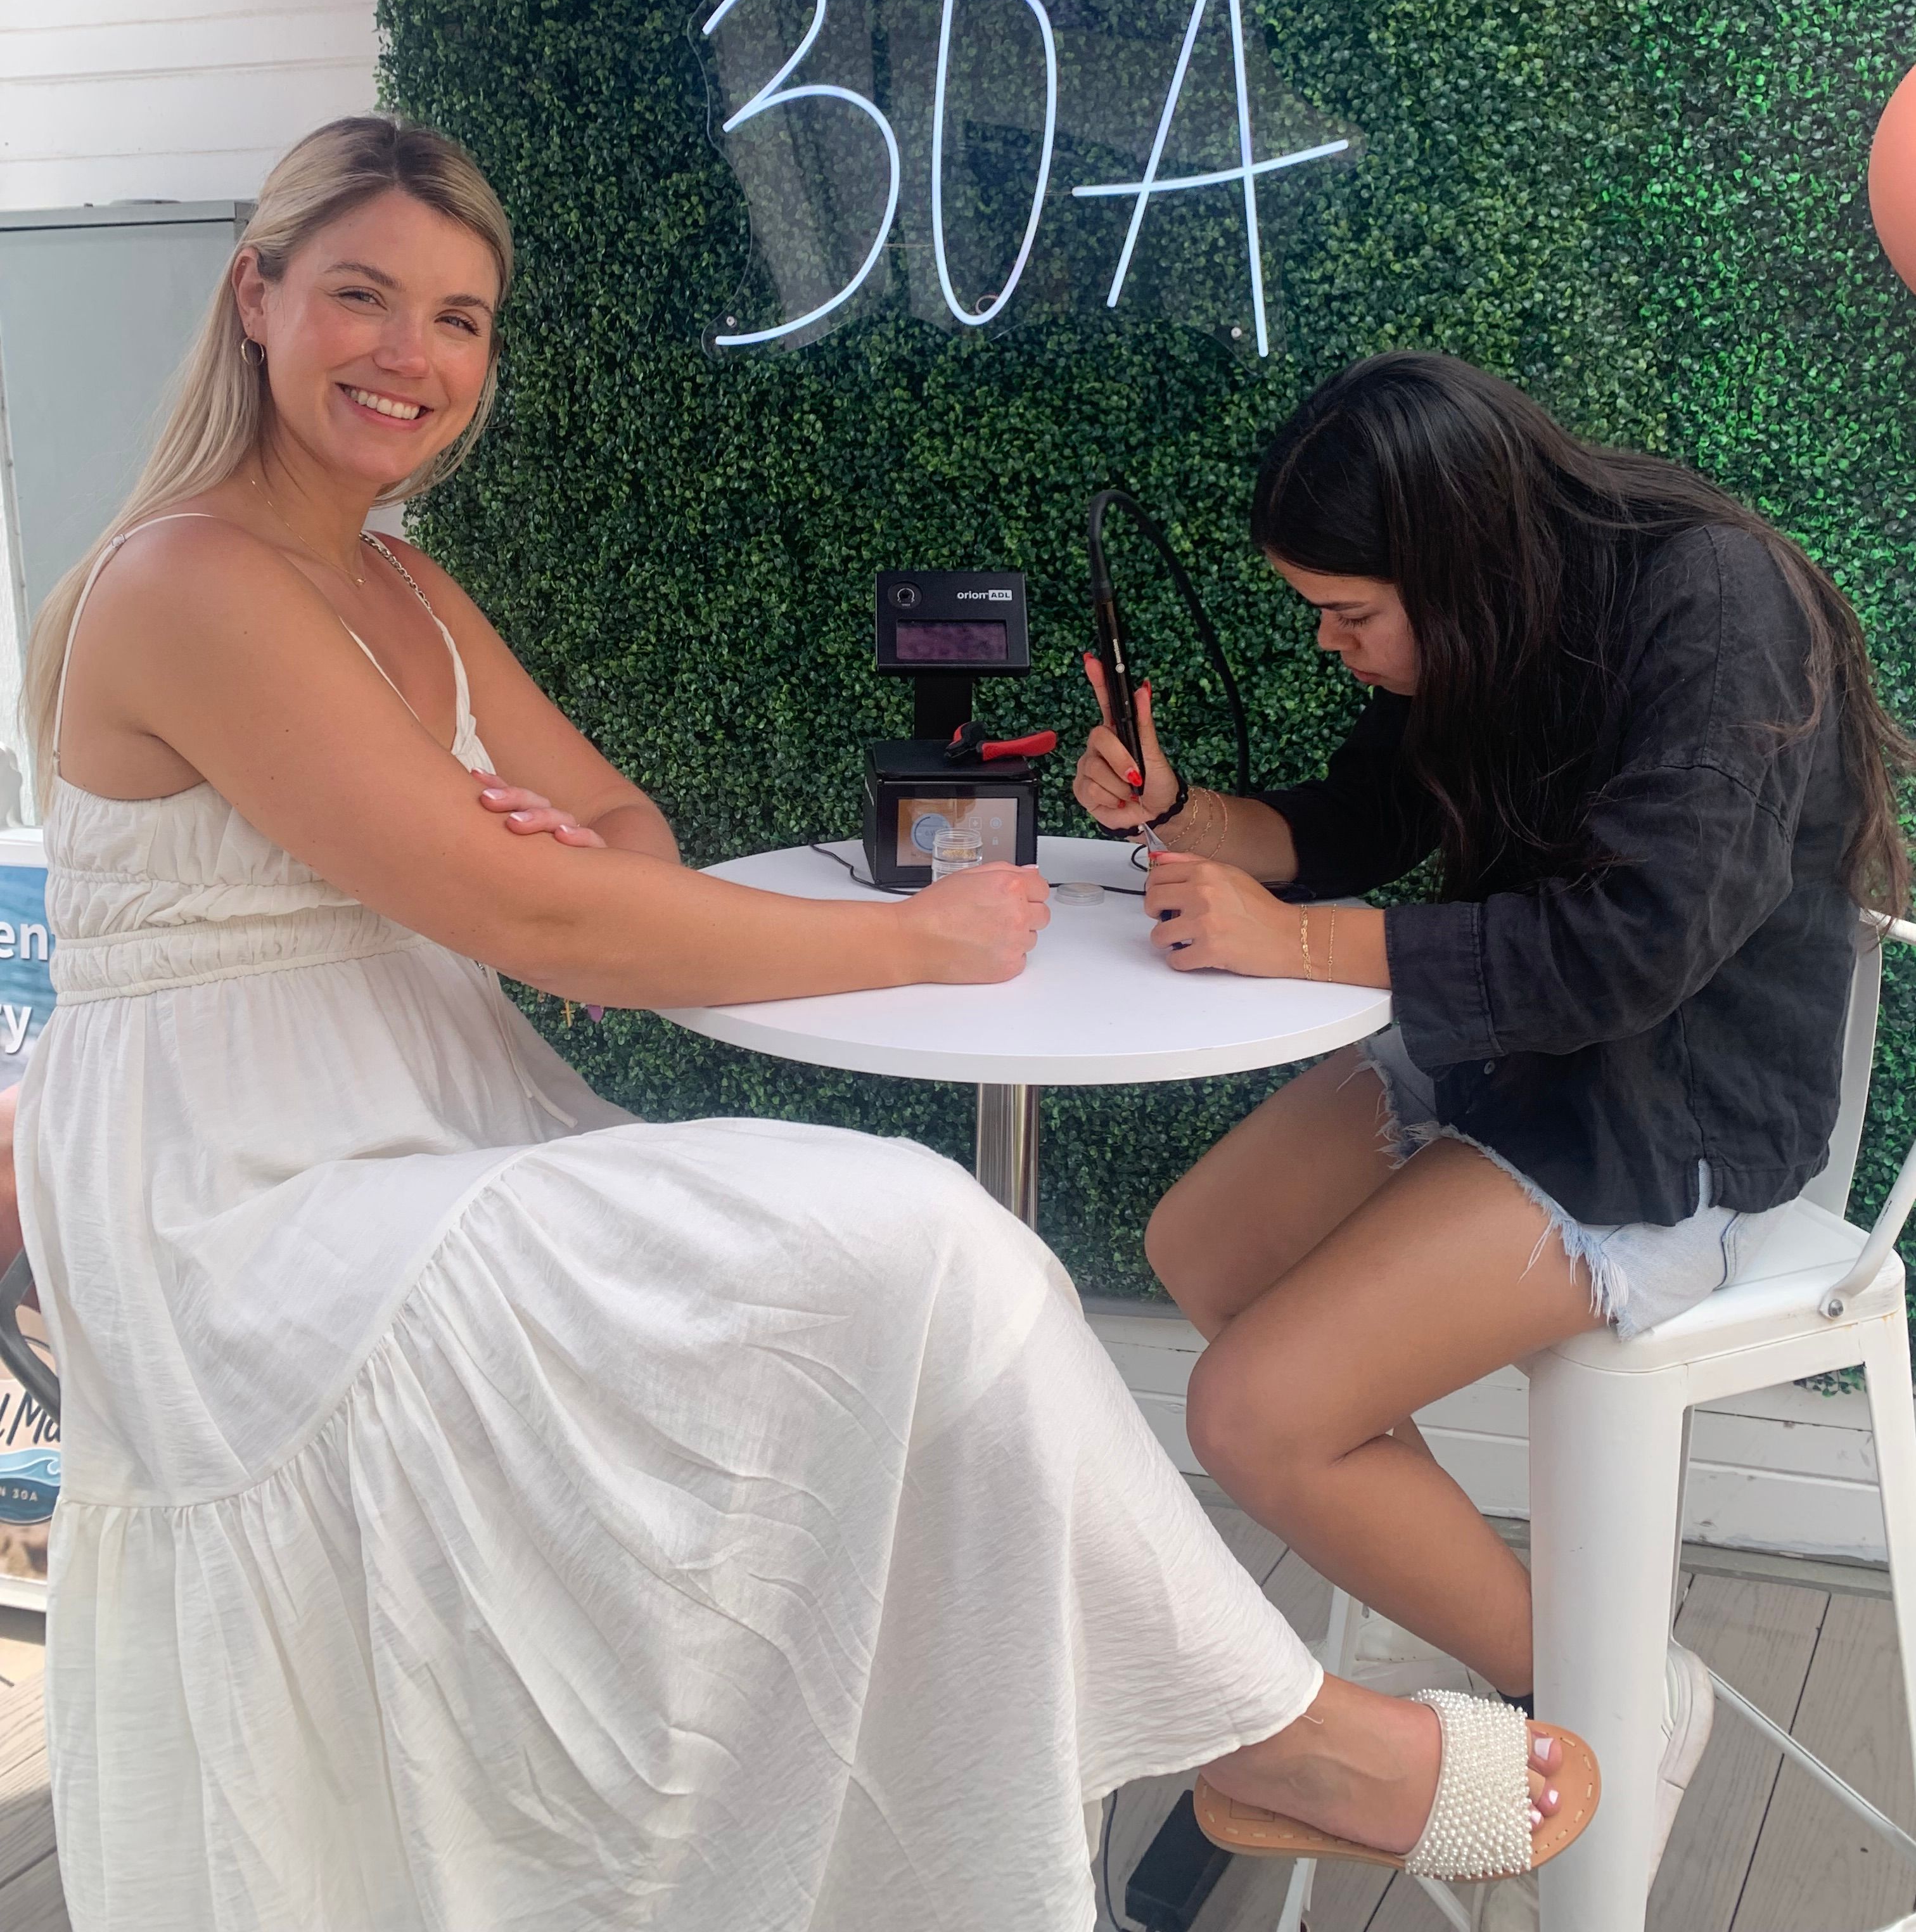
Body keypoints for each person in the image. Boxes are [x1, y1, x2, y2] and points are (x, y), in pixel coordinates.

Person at [13, 131, 1588, 1932]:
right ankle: (1275, 1734)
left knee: (926, 1295)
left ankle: (1158, 1753)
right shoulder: (192, 582)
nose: (413, 356)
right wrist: (907, 945)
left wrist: (539, 865)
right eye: (362, 294)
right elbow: (544, 912)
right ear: (258, 297)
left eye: (460, 317)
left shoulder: (405, 589)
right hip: (249, 1193)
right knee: (920, 1247)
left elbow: (613, 845)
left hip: (418, 1116)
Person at [1075, 349, 1913, 1888]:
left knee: (1253, 1413)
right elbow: (1355, 824)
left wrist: (1306, 945)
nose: (1334, 651)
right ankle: (1511, 1635)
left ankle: (1610, 1693)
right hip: (1519, 1052)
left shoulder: (1713, 604)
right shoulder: (1495, 616)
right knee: (1202, 1244)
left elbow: (1638, 946)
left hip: (1678, 1100)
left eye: (1350, 616)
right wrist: (1176, 813)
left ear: (1455, 562)